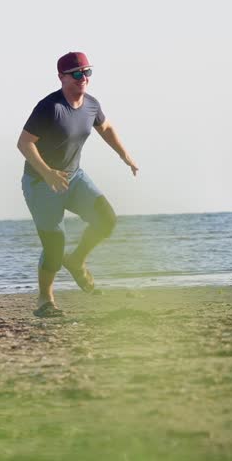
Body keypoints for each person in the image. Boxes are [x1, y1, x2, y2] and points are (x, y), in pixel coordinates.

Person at [16, 51, 139, 317]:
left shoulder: (91, 105)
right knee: (54, 245)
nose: (83, 78)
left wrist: (124, 154)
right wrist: (48, 173)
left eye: (87, 72)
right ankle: (44, 300)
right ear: (61, 77)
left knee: (106, 218)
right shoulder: (50, 107)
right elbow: (24, 143)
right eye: (76, 74)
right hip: (41, 182)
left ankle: (77, 260)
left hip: (74, 177)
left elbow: (105, 128)